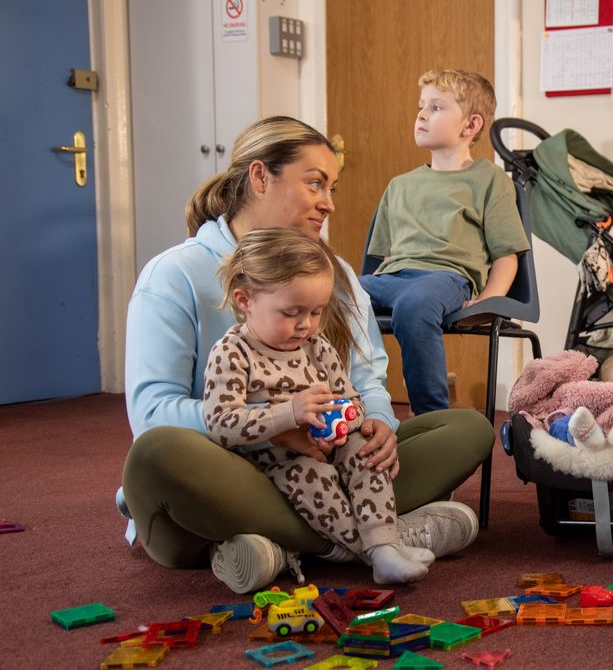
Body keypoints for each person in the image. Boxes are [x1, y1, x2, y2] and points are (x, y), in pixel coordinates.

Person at [122, 116, 494, 594]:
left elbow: (366, 380)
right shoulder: (174, 274)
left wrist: (376, 426)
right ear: (260, 178)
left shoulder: (336, 275)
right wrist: (276, 426)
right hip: (231, 466)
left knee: (466, 429)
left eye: (332, 188)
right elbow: (153, 413)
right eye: (315, 183)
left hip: (330, 463)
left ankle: (277, 547)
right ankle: (377, 540)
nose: (328, 203)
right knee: (157, 454)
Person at [203, 228, 432, 585]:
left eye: (316, 311)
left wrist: (348, 422)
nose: (305, 324)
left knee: (365, 454)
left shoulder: (317, 345)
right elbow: (220, 423)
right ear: (245, 300)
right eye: (291, 312)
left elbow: (351, 399)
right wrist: (290, 415)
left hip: (328, 446)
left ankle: (384, 544)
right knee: (313, 476)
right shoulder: (232, 353)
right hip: (275, 464)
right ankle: (373, 552)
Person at [359, 69, 530, 414]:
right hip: (393, 277)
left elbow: (506, 255)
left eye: (435, 108)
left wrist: (489, 300)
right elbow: (381, 261)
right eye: (421, 106)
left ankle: (433, 418)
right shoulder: (400, 185)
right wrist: (356, 292)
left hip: (447, 278)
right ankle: (349, 404)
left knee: (414, 305)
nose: (421, 115)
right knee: (330, 294)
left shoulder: (490, 180)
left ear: (470, 125)